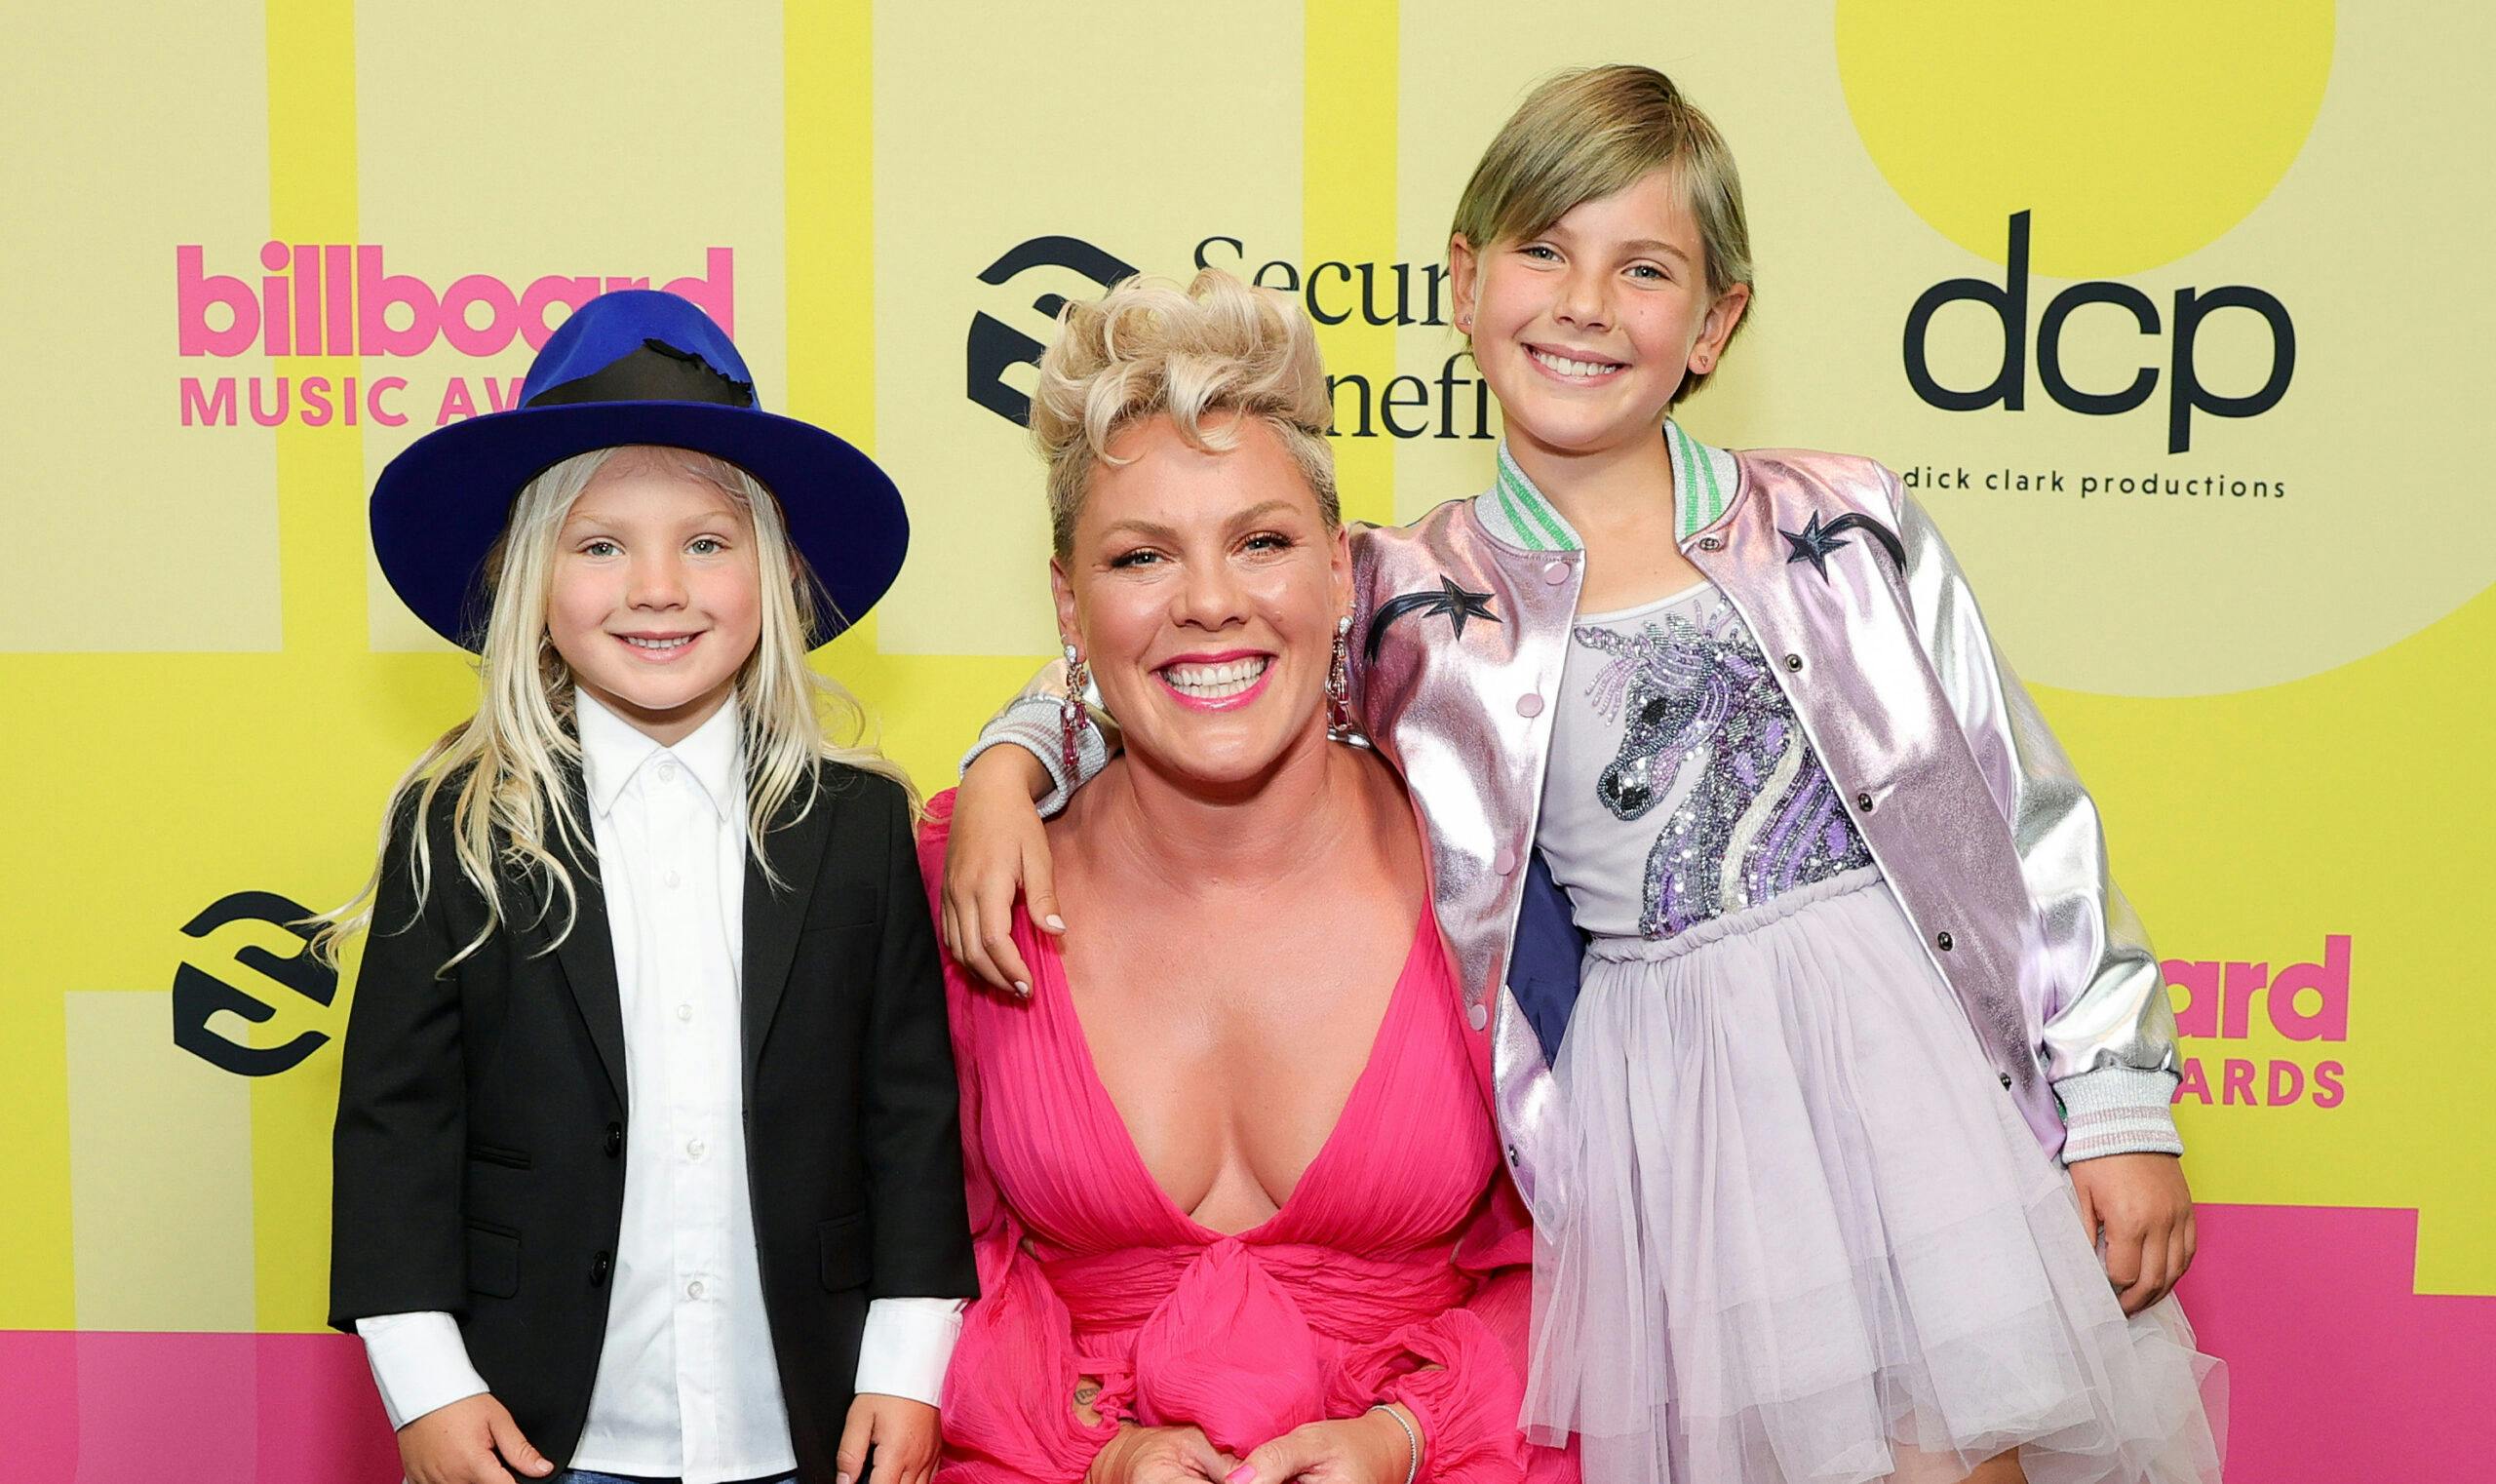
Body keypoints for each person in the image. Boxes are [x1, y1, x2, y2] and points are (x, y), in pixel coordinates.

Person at [945, 67, 2224, 1484]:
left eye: (1646, 269)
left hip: (1903, 1077)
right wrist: (1010, 761)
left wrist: (2115, 1093)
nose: (1586, 305)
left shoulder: (1842, 517)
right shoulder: (1411, 592)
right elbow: (1199, 650)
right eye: (1545, 251)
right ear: (1462, 280)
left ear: (1717, 322)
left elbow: (2017, 809)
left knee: (1962, 1453)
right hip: (1670, 1117)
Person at [921, 272, 1574, 1484]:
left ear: (1338, 571)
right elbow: (905, 1263)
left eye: (1260, 542)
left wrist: (1404, 1435)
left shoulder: (1492, 867)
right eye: (1141, 557)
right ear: (1068, 602)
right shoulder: (961, 880)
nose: (1211, 603)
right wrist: (1097, 1448)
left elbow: (1597, 1252)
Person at [319, 289, 977, 1484]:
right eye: (600, 545)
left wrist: (907, 1360)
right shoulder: (456, 824)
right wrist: (425, 1380)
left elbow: (909, 1114)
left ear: (776, 576)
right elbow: (396, 1129)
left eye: (707, 542)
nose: (658, 587)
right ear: (527, 579)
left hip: (808, 1421)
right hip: (533, 1429)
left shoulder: (857, 823)